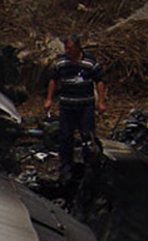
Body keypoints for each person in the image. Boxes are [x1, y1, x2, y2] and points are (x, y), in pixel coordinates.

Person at [44, 34, 106, 180]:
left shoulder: (89, 62)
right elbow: (53, 79)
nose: (67, 51)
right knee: (65, 136)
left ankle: (89, 165)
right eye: (66, 48)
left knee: (87, 136)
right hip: (67, 106)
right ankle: (66, 165)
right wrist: (49, 99)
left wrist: (101, 102)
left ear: (78, 47)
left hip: (85, 105)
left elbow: (99, 81)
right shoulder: (61, 63)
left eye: (70, 48)